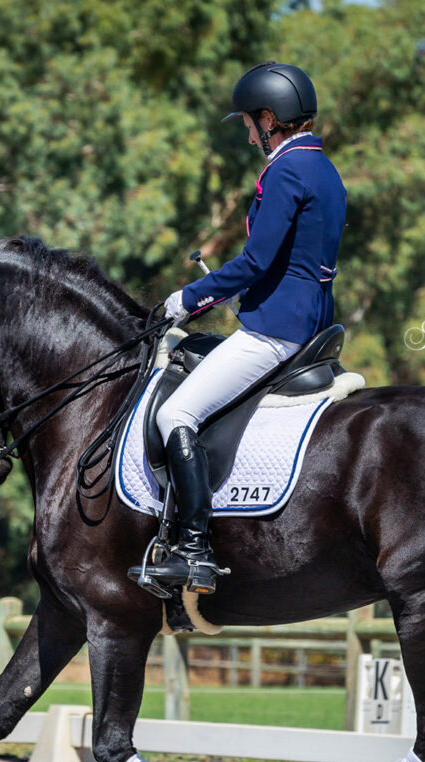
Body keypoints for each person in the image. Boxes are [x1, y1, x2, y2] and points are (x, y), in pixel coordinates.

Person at [140, 61, 347, 595]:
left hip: (276, 331)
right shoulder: (322, 166)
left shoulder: (286, 171)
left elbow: (256, 260)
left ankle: (193, 548)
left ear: (269, 118)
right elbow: (291, 262)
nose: (249, 134)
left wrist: (186, 298)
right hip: (309, 322)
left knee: (176, 412)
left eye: (251, 124)